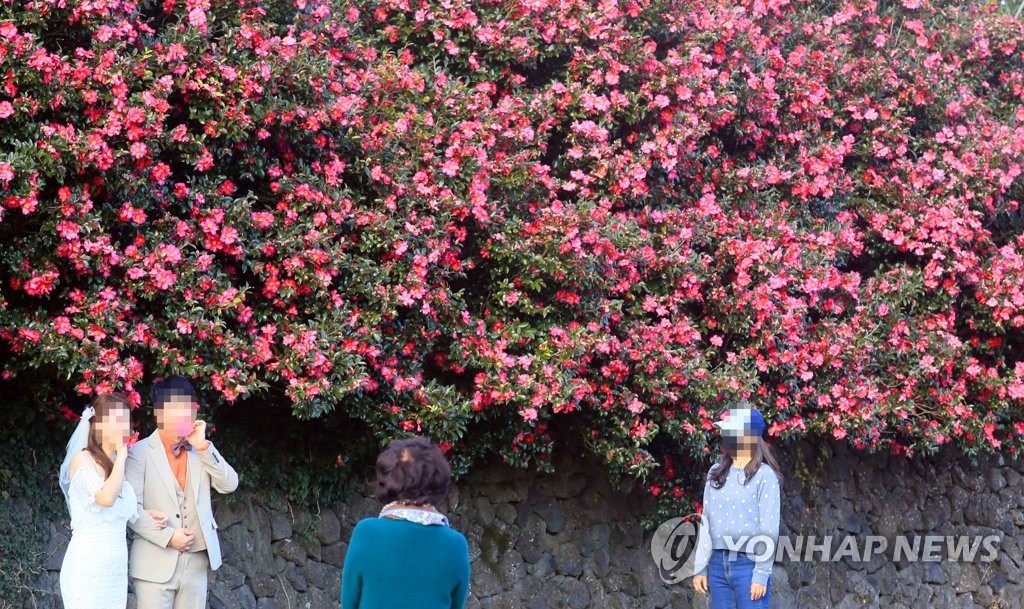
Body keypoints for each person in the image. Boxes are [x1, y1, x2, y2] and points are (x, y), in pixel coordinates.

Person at [126, 375, 238, 609]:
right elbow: (130, 509)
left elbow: (230, 484)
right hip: (154, 562)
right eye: (177, 407)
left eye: (189, 407)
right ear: (159, 412)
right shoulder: (139, 452)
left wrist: (204, 447)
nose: (185, 414)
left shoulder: (201, 450)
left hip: (196, 562)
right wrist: (168, 537)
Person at [59, 393, 168, 609]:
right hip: (87, 569)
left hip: (115, 572)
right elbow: (106, 498)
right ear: (98, 424)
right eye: (115, 420)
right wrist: (123, 456)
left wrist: (146, 514)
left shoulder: (117, 464)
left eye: (125, 420)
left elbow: (120, 512)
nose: (122, 427)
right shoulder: (83, 460)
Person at [341, 436, 471, 609]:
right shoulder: (455, 544)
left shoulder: (367, 532)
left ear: (388, 480)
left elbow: (349, 603)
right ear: (439, 481)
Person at [691, 402, 782, 608]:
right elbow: (707, 522)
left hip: (749, 566)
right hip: (717, 566)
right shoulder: (716, 472)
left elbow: (769, 528)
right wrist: (700, 568)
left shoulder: (764, 476)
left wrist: (761, 573)